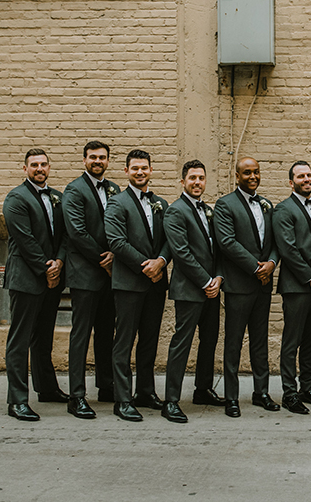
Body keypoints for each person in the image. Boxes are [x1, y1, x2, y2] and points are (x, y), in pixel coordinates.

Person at [103, 149, 171, 422]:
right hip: (130, 283)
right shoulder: (116, 203)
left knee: (150, 341)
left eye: (144, 168)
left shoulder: (161, 204)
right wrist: (148, 266)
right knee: (124, 341)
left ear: (151, 170)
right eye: (135, 168)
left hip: (156, 285)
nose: (140, 172)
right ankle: (122, 399)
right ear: (126, 171)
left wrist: (163, 261)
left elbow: (171, 237)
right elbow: (116, 242)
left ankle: (145, 391)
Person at [1, 148, 67, 421]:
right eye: (34, 165)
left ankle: (47, 388)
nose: (39, 168)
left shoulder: (57, 198)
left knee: (44, 337)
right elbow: (25, 240)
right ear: (25, 168)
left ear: (49, 167)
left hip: (52, 277)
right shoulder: (16, 198)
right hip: (26, 278)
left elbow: (65, 235)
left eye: (43, 164)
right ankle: (17, 401)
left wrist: (59, 263)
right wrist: (46, 267)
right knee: (20, 339)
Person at [214, 157, 280, 418]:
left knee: (260, 341)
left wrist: (272, 263)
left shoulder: (267, 205)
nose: (253, 176)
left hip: (263, 286)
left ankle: (261, 392)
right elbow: (227, 242)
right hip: (240, 286)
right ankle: (231, 397)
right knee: (234, 342)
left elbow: (275, 240)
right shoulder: (225, 204)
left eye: (256, 172)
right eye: (247, 173)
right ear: (237, 175)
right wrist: (256, 268)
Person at [161, 160, 225, 423]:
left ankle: (202, 389)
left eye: (201, 178)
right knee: (181, 344)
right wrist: (206, 281)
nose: (197, 183)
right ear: (182, 182)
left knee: (209, 341)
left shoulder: (208, 211)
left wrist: (218, 278)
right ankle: (171, 401)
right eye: (192, 178)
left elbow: (218, 248)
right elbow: (182, 253)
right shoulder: (175, 212)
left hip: (212, 288)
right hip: (190, 290)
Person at [62, 140, 120, 419]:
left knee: (107, 332)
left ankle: (106, 386)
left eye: (102, 158)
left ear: (108, 161)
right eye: (93, 157)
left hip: (111, 276)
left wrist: (116, 256)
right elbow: (76, 232)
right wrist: (103, 257)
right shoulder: (74, 190)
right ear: (84, 160)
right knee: (81, 335)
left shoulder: (114, 189)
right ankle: (76, 396)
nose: (98, 161)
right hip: (86, 274)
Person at [271, 161, 311, 415]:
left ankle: (307, 387)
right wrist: (310, 277)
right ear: (291, 182)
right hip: (297, 285)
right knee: (292, 340)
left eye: (309, 175)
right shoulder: (283, 210)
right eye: (300, 176)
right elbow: (288, 249)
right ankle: (289, 392)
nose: (306, 179)